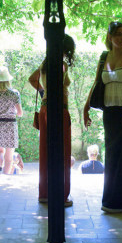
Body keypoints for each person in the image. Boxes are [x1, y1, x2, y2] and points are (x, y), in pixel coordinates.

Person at [83, 21, 122, 213]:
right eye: (118, 34)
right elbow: (96, 83)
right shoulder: (104, 58)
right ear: (110, 37)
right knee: (112, 156)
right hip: (111, 113)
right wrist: (85, 108)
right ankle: (111, 201)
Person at [29, 34, 75, 207]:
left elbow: (32, 79)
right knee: (62, 152)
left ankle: (45, 193)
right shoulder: (61, 65)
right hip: (59, 109)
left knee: (46, 150)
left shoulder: (44, 64)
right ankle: (61, 195)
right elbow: (58, 85)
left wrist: (43, 91)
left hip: (45, 108)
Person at [0, 67, 23, 174]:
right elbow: (20, 113)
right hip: (11, 126)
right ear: (8, 80)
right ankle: (5, 176)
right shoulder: (15, 93)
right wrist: (11, 112)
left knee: (0, 152)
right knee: (9, 156)